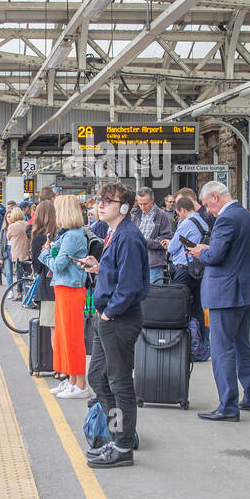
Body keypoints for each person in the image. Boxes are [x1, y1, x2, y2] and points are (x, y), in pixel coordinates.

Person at [78, 183, 149, 468]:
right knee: (97, 378)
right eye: (101, 200)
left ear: (123, 207)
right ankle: (121, 433)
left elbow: (131, 285)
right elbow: (119, 272)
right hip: (108, 317)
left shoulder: (129, 237)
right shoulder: (113, 233)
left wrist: (109, 314)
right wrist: (99, 267)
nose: (101, 205)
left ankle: (122, 446)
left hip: (118, 319)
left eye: (109, 201)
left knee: (119, 384)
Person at [186, 180, 250, 421]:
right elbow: (233, 251)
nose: (208, 211)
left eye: (208, 205)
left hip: (225, 294)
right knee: (242, 345)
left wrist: (201, 252)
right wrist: (211, 248)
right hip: (245, 291)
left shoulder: (226, 219)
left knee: (222, 350)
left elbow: (216, 256)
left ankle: (228, 406)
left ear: (215, 197)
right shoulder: (247, 216)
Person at [42, 195, 91, 400]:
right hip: (65, 288)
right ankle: (72, 380)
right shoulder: (70, 234)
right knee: (65, 336)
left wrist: (45, 254)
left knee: (72, 338)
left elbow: (58, 265)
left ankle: (80, 384)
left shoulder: (72, 236)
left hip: (69, 289)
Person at [162, 194, 210, 344]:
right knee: (197, 309)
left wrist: (168, 244)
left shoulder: (186, 223)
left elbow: (174, 247)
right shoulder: (203, 222)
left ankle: (179, 342)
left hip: (183, 269)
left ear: (182, 210)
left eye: (177, 212)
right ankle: (201, 343)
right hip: (198, 269)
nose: (177, 215)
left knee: (177, 306)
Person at [29, 200, 58, 369]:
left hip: (48, 288)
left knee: (54, 329)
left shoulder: (39, 236)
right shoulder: (61, 233)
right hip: (64, 286)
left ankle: (58, 368)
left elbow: (37, 266)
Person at [131, 187, 174, 284]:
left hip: (154, 265)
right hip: (136, 263)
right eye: (140, 203)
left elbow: (166, 240)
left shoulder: (162, 216)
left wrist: (146, 241)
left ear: (152, 200)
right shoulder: (136, 215)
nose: (142, 207)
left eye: (145, 204)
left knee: (154, 296)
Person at [5, 207, 30, 291]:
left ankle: (19, 293)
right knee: (27, 274)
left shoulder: (12, 226)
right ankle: (26, 291)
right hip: (27, 253)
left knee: (19, 275)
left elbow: (8, 237)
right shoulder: (27, 224)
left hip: (17, 253)